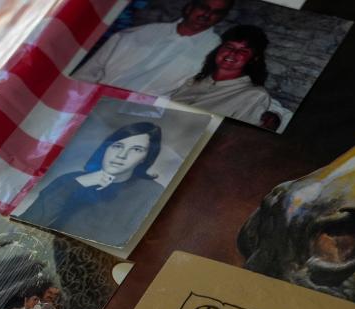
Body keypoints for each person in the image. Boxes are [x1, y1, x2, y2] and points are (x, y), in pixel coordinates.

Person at [16, 122, 163, 247]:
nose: (121, 155)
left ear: (145, 158)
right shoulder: (71, 180)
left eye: (136, 150)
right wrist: (75, 185)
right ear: (106, 148)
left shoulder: (152, 193)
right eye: (117, 146)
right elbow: (25, 225)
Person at [72, 0, 233, 96]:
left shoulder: (217, 55)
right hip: (93, 98)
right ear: (190, 7)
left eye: (216, 12)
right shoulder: (134, 35)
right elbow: (85, 75)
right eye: (204, 7)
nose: (207, 15)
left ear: (223, 17)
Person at [170, 25, 273, 124]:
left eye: (243, 51)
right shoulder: (194, 80)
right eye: (229, 46)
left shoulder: (254, 95)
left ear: (254, 58)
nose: (232, 53)